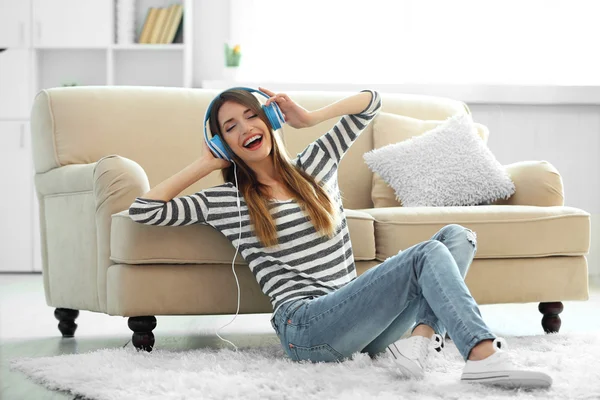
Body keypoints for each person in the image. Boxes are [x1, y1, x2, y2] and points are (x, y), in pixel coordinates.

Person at [128, 87, 552, 389]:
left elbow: (371, 102)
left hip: (361, 327)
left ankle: (420, 342)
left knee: (457, 236)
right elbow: (145, 211)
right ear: (224, 143)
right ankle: (480, 353)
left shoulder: (317, 162)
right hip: (306, 328)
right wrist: (205, 163)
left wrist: (310, 117)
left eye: (252, 115)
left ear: (271, 118)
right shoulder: (228, 200)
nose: (245, 129)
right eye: (230, 127)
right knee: (426, 254)